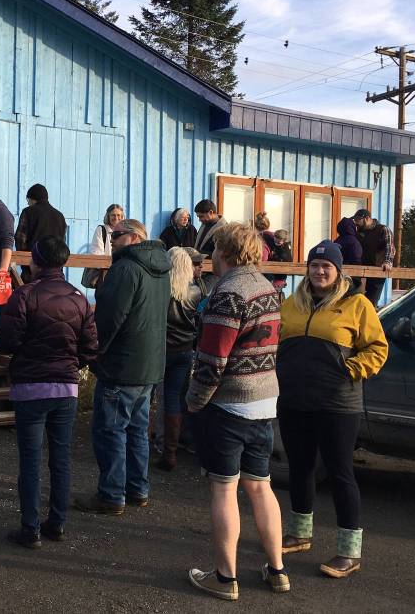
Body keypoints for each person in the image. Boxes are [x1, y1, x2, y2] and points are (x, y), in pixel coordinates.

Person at [185, 222, 289, 600]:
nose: (210, 256)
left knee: (225, 489)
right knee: (261, 487)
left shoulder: (227, 294)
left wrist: (194, 401)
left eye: (213, 250)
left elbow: (213, 361)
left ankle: (226, 578)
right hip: (266, 402)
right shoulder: (268, 289)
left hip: (230, 403)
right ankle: (277, 569)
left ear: (224, 253)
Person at [275, 240, 388, 578]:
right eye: (314, 265)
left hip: (337, 404)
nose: (319, 271)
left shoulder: (357, 305)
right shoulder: (292, 303)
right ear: (307, 269)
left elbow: (378, 349)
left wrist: (350, 371)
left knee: (340, 473)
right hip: (295, 401)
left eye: (326, 266)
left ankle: (349, 552)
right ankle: (299, 534)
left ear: (339, 271)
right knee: (300, 467)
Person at [0, 236, 99, 548]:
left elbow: (7, 341)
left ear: (36, 261)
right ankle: (57, 523)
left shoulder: (24, 295)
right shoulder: (79, 298)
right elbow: (91, 347)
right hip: (65, 386)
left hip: (30, 386)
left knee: (30, 460)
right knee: (61, 458)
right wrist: (71, 363)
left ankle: (30, 528)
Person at [74, 219, 170, 514]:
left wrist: (92, 352)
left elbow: (109, 317)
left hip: (123, 363)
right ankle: (137, 489)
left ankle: (112, 494)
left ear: (133, 237)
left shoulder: (126, 268)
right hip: (150, 364)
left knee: (111, 430)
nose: (111, 241)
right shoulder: (162, 269)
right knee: (137, 431)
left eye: (116, 236)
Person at [157, 247, 204, 472]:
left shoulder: (160, 287)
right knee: (177, 398)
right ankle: (172, 451)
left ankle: (158, 446)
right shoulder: (195, 291)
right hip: (185, 349)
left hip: (161, 348)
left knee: (154, 397)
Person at [14, 183, 67, 283]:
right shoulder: (60, 216)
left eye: (28, 200)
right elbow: (62, 244)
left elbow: (20, 239)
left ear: (32, 198)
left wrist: (26, 264)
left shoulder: (28, 212)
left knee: (30, 296)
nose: (28, 203)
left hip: (34, 269)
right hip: (55, 271)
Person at [82, 203, 124, 289]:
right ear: (108, 216)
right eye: (113, 215)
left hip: (121, 272)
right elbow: (96, 252)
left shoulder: (125, 232)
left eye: (119, 215)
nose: (116, 218)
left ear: (122, 217)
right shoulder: (101, 230)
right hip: (105, 274)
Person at [357, 211, 395, 307]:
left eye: (358, 219)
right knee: (359, 301)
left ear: (367, 218)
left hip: (377, 271)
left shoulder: (383, 229)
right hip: (362, 271)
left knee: (371, 302)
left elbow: (389, 247)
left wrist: (388, 262)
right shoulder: (360, 232)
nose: (356, 222)